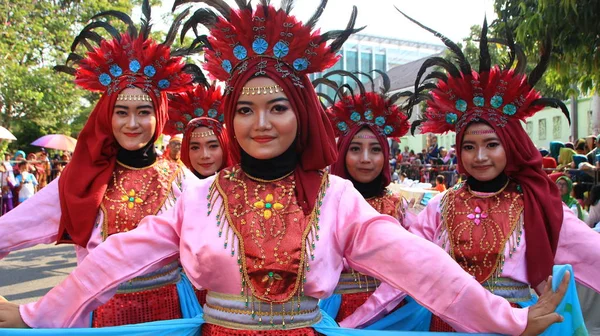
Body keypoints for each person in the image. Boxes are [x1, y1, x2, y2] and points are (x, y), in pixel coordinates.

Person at [0, 2, 569, 335]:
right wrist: (34, 312)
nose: (261, 123)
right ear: (231, 119)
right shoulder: (197, 195)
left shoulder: (337, 196)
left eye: (277, 107)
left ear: (300, 114)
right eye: (245, 109)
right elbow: (112, 263)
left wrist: (508, 320)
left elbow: (421, 267)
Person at [0, 1, 201, 327]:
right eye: (121, 112)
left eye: (144, 112)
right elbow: (11, 229)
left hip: (172, 316)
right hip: (99, 314)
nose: (132, 123)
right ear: (108, 116)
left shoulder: (182, 179)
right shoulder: (85, 179)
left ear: (159, 116)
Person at [396, 10, 593, 333]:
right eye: (469, 147)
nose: (480, 156)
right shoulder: (439, 207)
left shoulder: (536, 205)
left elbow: (592, 253)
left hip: (513, 325)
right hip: (449, 323)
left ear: (511, 146)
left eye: (491, 145)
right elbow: (408, 262)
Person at [318, 70, 412, 327]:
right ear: (341, 153)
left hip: (393, 315)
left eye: (375, 150)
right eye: (355, 149)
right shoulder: (321, 204)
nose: (366, 159)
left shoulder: (399, 207)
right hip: (330, 315)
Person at [165, 80, 232, 181]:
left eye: (213, 146)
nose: (205, 155)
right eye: (195, 148)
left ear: (225, 146)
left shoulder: (244, 190)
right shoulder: (171, 189)